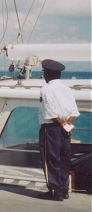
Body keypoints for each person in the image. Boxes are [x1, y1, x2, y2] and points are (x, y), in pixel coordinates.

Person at [38, 59, 79, 201]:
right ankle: (64, 190)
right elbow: (74, 111)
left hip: (51, 129)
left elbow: (50, 111)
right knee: (64, 158)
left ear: (47, 74)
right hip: (66, 128)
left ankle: (55, 191)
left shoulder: (46, 89)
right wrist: (67, 124)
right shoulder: (67, 89)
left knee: (51, 159)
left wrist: (61, 123)